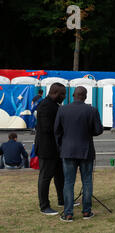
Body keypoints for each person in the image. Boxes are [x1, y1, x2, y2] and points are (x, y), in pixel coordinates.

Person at [54, 86, 103, 222]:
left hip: (68, 150)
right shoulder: (92, 110)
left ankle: (68, 213)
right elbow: (99, 130)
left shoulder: (62, 109)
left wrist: (61, 146)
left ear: (73, 95)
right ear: (85, 96)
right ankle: (86, 212)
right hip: (86, 150)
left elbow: (56, 131)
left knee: (68, 182)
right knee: (87, 181)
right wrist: (88, 132)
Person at [35, 82, 66, 216]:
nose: (64, 97)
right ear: (55, 93)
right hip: (47, 148)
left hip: (55, 148)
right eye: (62, 94)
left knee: (60, 175)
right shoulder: (46, 106)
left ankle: (62, 199)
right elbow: (47, 128)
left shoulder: (53, 105)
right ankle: (44, 206)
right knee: (45, 177)